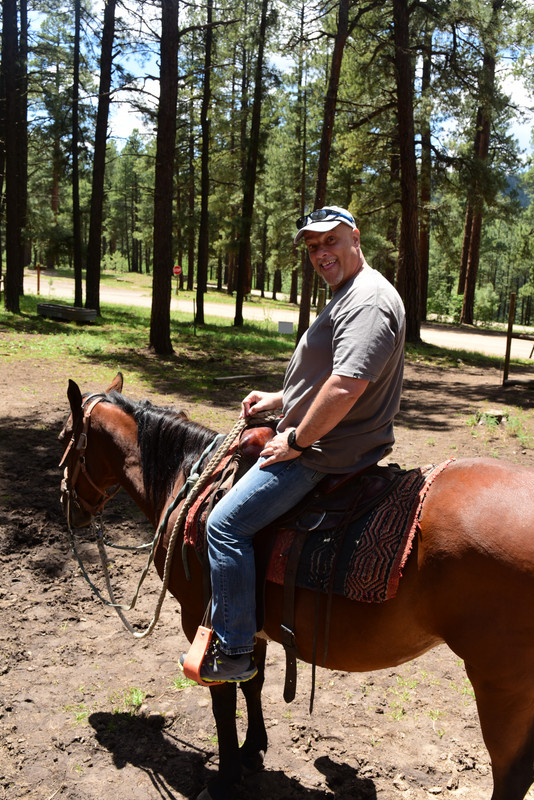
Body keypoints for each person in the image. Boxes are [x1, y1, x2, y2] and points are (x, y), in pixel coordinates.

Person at [184, 205, 406, 683]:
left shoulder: (367, 301)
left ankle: (237, 649)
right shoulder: (351, 292)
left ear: (355, 238)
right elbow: (330, 375)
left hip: (327, 452)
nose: (321, 253)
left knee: (224, 526)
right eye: (312, 246)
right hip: (328, 438)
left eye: (330, 241)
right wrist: (281, 396)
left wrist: (297, 440)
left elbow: (347, 386)